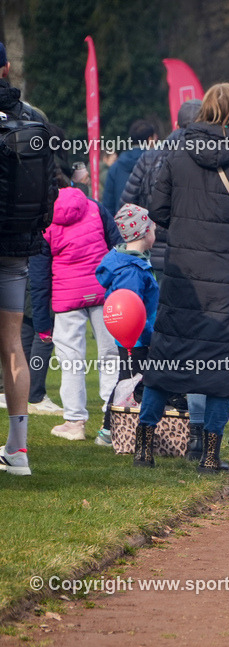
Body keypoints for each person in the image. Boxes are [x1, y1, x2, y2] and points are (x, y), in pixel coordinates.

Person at [138, 83, 229, 471]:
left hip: (184, 276)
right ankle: (212, 456)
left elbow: (159, 210)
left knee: (166, 358)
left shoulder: (176, 153)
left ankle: (143, 449)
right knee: (224, 365)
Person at [0, 42, 58, 475]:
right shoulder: (34, 117)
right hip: (19, 246)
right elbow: (53, 186)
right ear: (6, 67)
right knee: (12, 347)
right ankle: (18, 451)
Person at [29, 179, 121, 442]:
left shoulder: (43, 222)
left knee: (70, 359)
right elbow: (118, 247)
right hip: (104, 290)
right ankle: (112, 419)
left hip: (66, 297)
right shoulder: (94, 206)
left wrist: (42, 324)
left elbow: (39, 278)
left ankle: (74, 422)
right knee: (111, 355)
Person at [94, 204, 159, 442]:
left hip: (136, 336)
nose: (156, 231)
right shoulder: (131, 270)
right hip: (136, 337)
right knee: (128, 383)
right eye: (152, 227)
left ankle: (116, 427)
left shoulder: (132, 261)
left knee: (128, 379)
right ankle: (110, 429)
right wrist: (152, 338)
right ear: (143, 232)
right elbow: (132, 312)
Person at [120, 99, 202, 280]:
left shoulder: (148, 158)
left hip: (151, 253)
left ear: (175, 124)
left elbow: (126, 207)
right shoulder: (206, 161)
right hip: (194, 257)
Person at [102, 119, 157, 215]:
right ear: (150, 139)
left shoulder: (115, 167)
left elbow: (108, 205)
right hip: (151, 224)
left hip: (123, 224)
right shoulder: (155, 163)